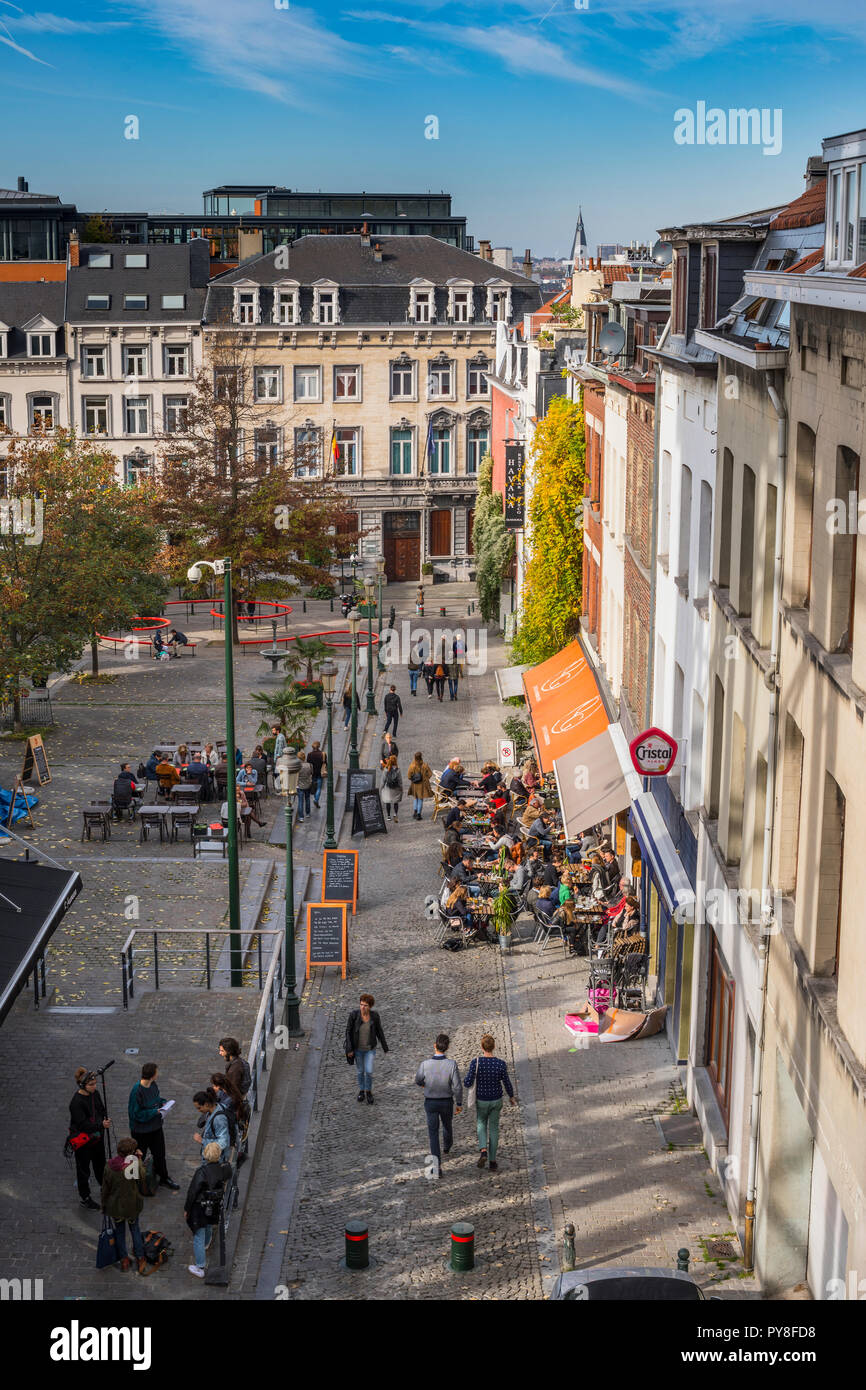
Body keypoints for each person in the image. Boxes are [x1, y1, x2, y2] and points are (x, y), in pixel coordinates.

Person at [463, 1035, 516, 1173]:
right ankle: (492, 1161)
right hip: (496, 1100)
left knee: (481, 1123)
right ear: (494, 1047)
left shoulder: (476, 1063)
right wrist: (511, 1096)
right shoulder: (500, 1064)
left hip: (482, 1100)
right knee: (494, 1128)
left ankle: (483, 1150)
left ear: (482, 1047)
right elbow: (507, 1082)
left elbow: (467, 1082)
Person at [415, 1034, 463, 1175]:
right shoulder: (451, 1064)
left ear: (435, 1045)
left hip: (430, 1102)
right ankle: (447, 1146)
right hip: (446, 1101)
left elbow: (418, 1080)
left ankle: (436, 1167)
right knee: (447, 1125)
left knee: (433, 1133)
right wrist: (459, 1103)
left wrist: (425, 1085)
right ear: (447, 1047)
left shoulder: (425, 1064)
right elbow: (457, 1087)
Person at [128, 1062, 180, 1191]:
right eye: (157, 1072)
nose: (158, 1074)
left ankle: (164, 1177)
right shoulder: (137, 1091)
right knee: (138, 1156)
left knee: (159, 1154)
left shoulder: (153, 1085)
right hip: (141, 1131)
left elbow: (156, 1099)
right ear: (152, 1075)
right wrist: (154, 1112)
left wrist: (162, 1102)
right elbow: (135, 1114)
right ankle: (132, 1182)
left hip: (155, 1128)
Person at [184, 1141, 232, 1280]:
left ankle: (200, 1266)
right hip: (214, 1205)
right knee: (209, 1223)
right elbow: (229, 1172)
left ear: (205, 1155)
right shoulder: (223, 1168)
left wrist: (187, 1209)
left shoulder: (201, 1172)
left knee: (198, 1234)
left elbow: (192, 1192)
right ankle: (208, 1241)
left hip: (201, 1207)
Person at [101, 1136, 149, 1275]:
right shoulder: (132, 1166)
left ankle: (124, 1259)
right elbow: (142, 1176)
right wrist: (139, 1159)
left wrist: (104, 1205)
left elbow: (105, 1189)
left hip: (115, 1207)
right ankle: (140, 1258)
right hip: (132, 1206)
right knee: (135, 1231)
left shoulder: (109, 1166)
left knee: (120, 1232)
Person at [69, 1068, 110, 1209]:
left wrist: (104, 1117)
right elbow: (82, 1124)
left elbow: (101, 1108)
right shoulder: (76, 1103)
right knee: (83, 1170)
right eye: (91, 1084)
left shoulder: (95, 1094)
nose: (95, 1086)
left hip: (96, 1139)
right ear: (82, 1086)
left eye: (95, 1083)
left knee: (100, 1165)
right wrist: (100, 1124)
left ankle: (104, 1186)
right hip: (84, 1143)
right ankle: (85, 1197)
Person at [344, 993, 389, 1105]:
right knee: (360, 1071)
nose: (362, 1007)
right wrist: (349, 1049)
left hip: (370, 1049)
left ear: (370, 1006)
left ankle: (368, 1091)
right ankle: (362, 1090)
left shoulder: (374, 1016)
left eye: (365, 1005)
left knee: (368, 1071)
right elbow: (348, 1032)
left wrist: (385, 1047)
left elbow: (379, 1031)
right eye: (361, 1004)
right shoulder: (354, 1015)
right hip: (358, 1049)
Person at [192, 1088, 231, 1159]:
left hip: (217, 1159)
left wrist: (202, 1140)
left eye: (199, 1108)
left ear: (206, 1104)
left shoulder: (219, 1120)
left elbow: (223, 1143)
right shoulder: (218, 1106)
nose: (198, 1111)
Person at [406, 750, 433, 820]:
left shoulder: (412, 766)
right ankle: (418, 814)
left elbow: (409, 776)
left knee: (415, 798)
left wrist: (413, 779)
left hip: (415, 785)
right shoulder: (425, 765)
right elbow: (430, 774)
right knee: (420, 799)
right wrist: (425, 778)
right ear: (421, 757)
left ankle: (415, 811)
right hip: (422, 785)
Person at [380, 754, 402, 823]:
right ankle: (395, 814)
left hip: (387, 788)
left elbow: (383, 780)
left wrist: (381, 788)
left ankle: (389, 816)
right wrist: (401, 788)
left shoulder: (386, 769)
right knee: (396, 802)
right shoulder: (398, 770)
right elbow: (400, 780)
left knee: (388, 802)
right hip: (396, 788)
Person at [295, 749, 313, 821]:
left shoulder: (297, 766)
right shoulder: (309, 765)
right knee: (307, 799)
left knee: (300, 800)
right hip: (308, 784)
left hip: (300, 785)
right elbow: (312, 773)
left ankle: (301, 817)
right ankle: (308, 813)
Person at [307, 741, 325, 808]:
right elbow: (326, 763)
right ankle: (316, 799)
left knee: (314, 787)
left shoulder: (309, 754)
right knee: (319, 788)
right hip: (320, 773)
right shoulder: (323, 754)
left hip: (312, 773)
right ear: (319, 746)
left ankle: (315, 799)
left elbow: (308, 764)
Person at [272, 724, 289, 795]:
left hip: (280, 760)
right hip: (280, 759)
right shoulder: (280, 736)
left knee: (280, 774)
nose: (272, 731)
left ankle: (282, 790)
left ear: (277, 731)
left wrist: (278, 757)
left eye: (273, 730)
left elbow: (280, 749)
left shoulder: (280, 738)